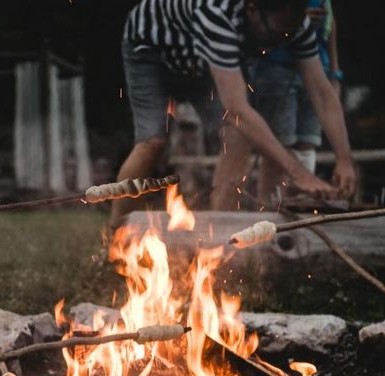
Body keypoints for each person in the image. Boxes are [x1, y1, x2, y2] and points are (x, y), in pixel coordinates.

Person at [111, 0, 356, 226]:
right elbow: (237, 108)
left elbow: (322, 94)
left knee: (237, 135)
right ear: (252, 10)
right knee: (152, 143)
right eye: (276, 35)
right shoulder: (216, 13)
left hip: (202, 61)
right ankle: (114, 236)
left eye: (287, 37)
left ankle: (220, 241)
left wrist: (344, 159)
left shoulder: (293, 23)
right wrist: (300, 174)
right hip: (150, 50)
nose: (280, 43)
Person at [243, 0, 341, 204]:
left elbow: (330, 23)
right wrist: (300, 19)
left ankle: (298, 206)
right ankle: (267, 207)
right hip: (277, 64)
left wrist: (334, 71)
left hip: (317, 65)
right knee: (280, 143)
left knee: (308, 141)